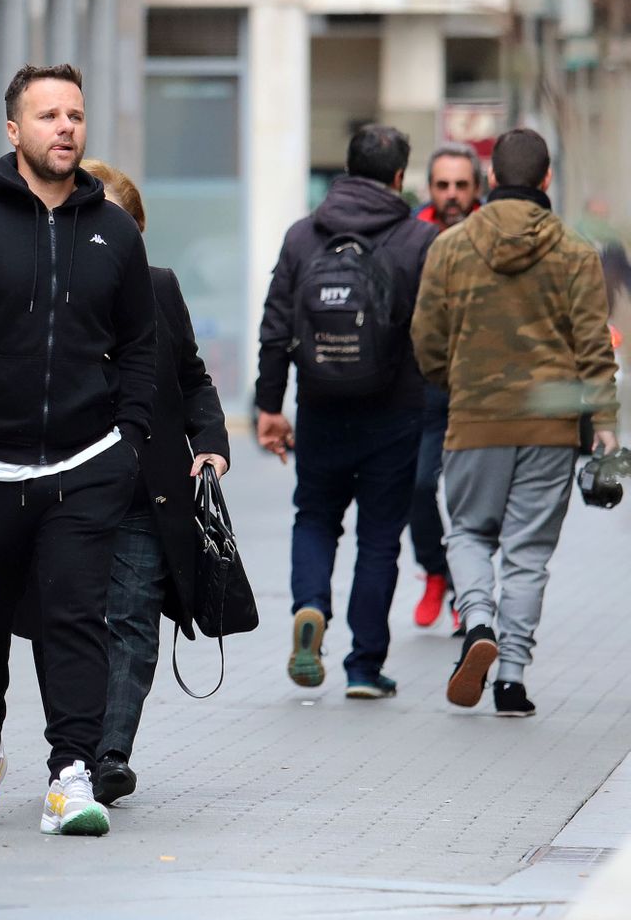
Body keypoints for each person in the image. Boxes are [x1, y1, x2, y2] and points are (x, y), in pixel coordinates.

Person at [0, 64, 156, 837]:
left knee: (75, 618)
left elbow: (143, 346)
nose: (66, 127)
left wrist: (129, 445)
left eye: (75, 114)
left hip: (85, 467)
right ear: (15, 130)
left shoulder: (113, 230)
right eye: (48, 115)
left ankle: (69, 772)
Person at [15, 160, 229, 806]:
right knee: (66, 620)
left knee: (133, 622)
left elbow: (192, 378)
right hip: (62, 488)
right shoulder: (36, 290)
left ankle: (107, 752)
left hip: (145, 491)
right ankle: (73, 749)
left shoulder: (160, 289)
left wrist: (212, 446)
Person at [412, 128, 619, 718]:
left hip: (475, 418)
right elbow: (593, 347)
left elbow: (425, 338)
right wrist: (603, 421)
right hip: (550, 427)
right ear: (547, 180)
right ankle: (511, 679)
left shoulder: (450, 246)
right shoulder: (577, 251)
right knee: (528, 553)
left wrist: (454, 383)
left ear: (491, 179)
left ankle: (476, 621)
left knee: (469, 533)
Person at [255, 124, 438, 699]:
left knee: (314, 516)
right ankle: (363, 666)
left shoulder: (303, 236)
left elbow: (275, 328)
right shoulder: (418, 240)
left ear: (346, 168)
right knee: (380, 538)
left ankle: (311, 606)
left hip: (320, 407)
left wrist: (268, 407)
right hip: (396, 411)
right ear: (400, 177)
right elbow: (435, 336)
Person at [410, 143, 483, 632]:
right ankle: (435, 570)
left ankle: (467, 589)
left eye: (461, 185)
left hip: (482, 389)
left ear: (476, 189)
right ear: (430, 189)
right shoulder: (412, 235)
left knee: (471, 496)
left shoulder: (494, 234)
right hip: (425, 388)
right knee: (418, 486)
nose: (452, 195)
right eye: (443, 185)